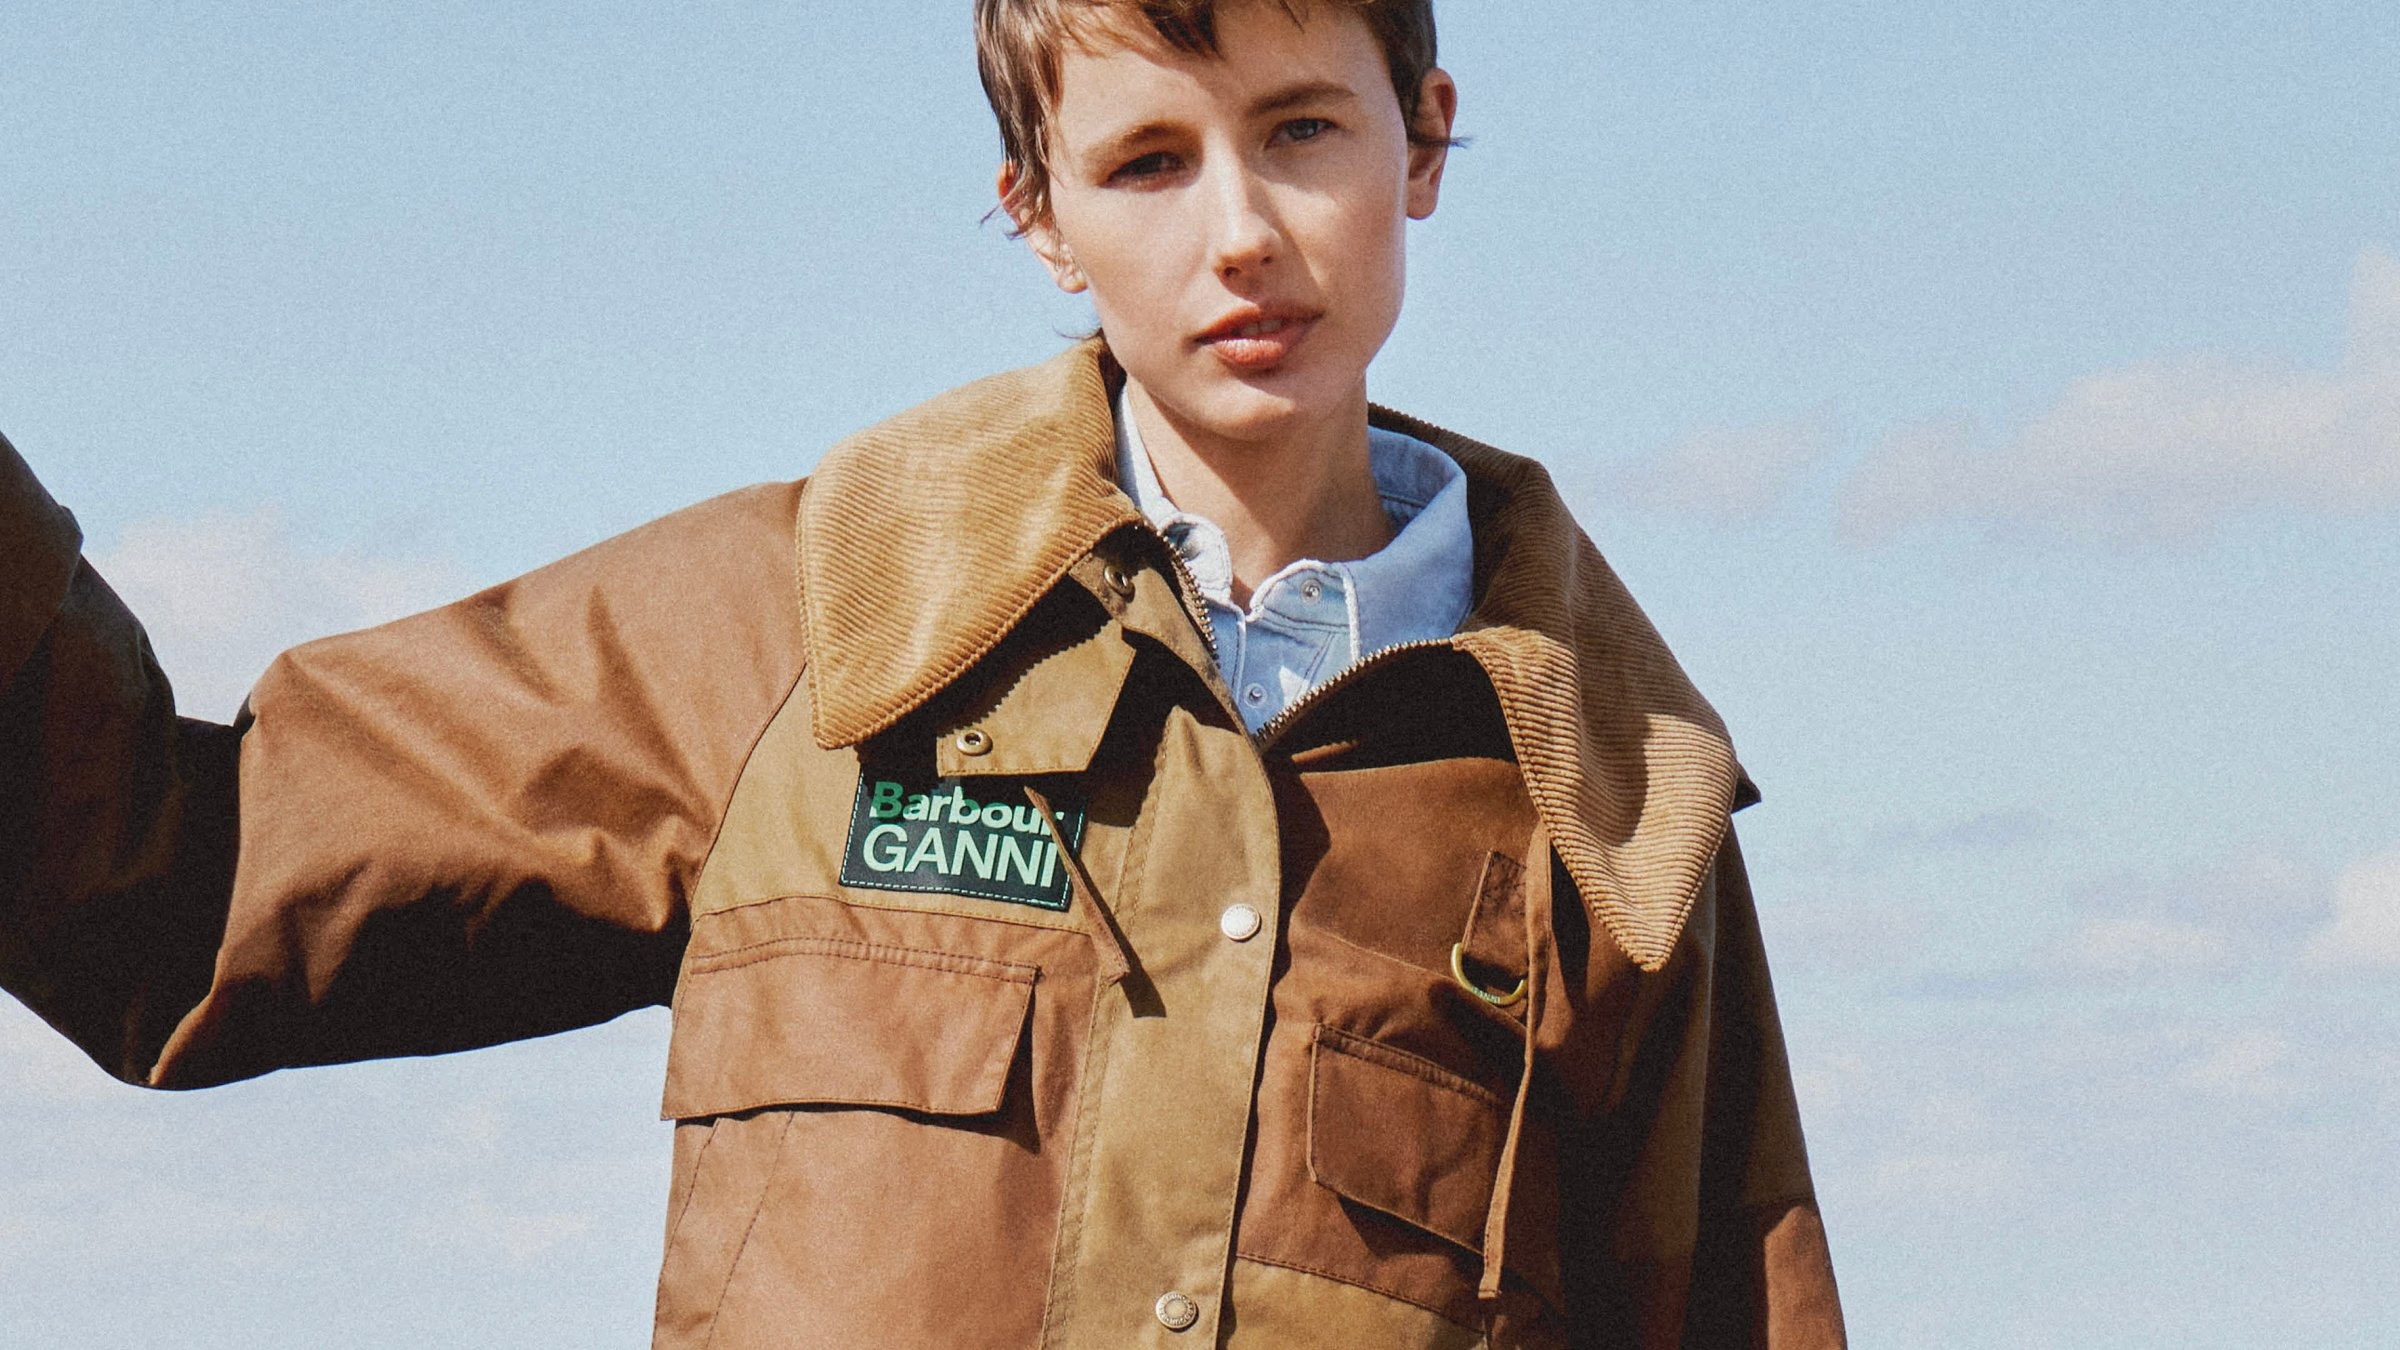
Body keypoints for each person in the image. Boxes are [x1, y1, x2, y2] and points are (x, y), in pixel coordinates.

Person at [0, 1, 1846, 1345]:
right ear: (1038, 211)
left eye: (1302, 130)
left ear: (1422, 140)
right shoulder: (802, 630)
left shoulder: (1612, 821)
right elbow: (173, 884)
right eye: (1147, 160)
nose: (1241, 233)